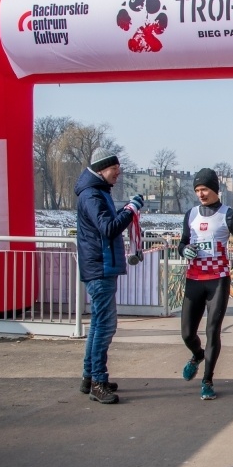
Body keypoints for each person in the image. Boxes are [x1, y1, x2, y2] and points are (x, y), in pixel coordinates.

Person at [177, 168, 233, 400]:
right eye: (198, 190)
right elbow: (182, 243)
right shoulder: (190, 214)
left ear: (215, 190)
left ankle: (207, 380)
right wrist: (184, 250)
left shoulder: (228, 214)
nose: (201, 194)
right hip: (194, 279)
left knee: (212, 331)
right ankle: (197, 355)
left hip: (218, 280)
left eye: (205, 189)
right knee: (187, 333)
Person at [75, 148, 143, 404]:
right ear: (102, 169)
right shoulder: (93, 195)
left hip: (100, 266)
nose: (119, 172)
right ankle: (98, 382)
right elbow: (109, 228)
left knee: (97, 325)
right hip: (100, 267)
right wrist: (131, 209)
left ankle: (88, 376)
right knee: (104, 326)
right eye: (115, 168)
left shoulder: (96, 192)